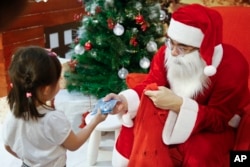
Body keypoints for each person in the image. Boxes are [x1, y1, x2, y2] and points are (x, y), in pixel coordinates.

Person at [104, 4, 250, 167]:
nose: (172, 52)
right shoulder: (166, 53)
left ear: (204, 49)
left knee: (200, 154)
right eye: (170, 42)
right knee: (133, 132)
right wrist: (124, 99)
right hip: (171, 112)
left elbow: (219, 119)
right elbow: (151, 83)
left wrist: (180, 105)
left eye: (182, 47)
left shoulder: (233, 65)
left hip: (213, 123)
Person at [2, 46, 108, 167]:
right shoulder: (53, 119)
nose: (60, 81)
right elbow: (74, 144)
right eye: (59, 78)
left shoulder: (13, 112)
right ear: (46, 89)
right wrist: (95, 121)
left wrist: (30, 159)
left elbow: (8, 146)